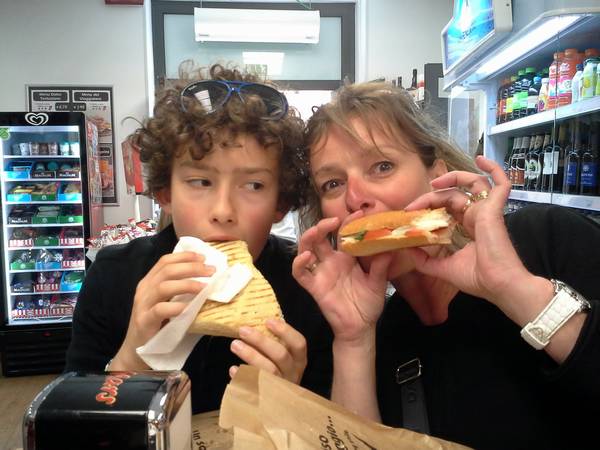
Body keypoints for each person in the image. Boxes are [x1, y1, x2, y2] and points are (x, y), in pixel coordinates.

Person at [292, 81, 600, 450]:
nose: (356, 199)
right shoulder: (381, 335)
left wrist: (515, 289)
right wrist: (353, 341)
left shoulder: (546, 240)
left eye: (382, 166)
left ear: (436, 174)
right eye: (333, 184)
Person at [65, 64, 332, 414]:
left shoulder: (306, 287)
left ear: (279, 204)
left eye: (253, 185)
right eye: (200, 182)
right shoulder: (113, 276)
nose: (222, 211)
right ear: (165, 193)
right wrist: (130, 357)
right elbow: (72, 422)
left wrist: (294, 399)